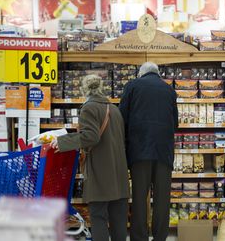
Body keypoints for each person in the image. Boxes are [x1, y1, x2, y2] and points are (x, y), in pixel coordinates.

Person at [51, 75, 129, 241]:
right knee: (118, 220)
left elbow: (91, 137)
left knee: (99, 217)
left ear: (84, 90)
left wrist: (62, 141)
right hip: (119, 172)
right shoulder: (115, 109)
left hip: (101, 171)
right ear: (102, 89)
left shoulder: (88, 108)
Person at [119, 62, 178, 241]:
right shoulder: (169, 90)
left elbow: (122, 118)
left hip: (139, 150)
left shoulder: (132, 86)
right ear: (158, 73)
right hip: (163, 151)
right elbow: (175, 123)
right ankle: (160, 237)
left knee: (139, 196)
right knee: (162, 198)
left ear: (141, 73)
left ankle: (139, 237)